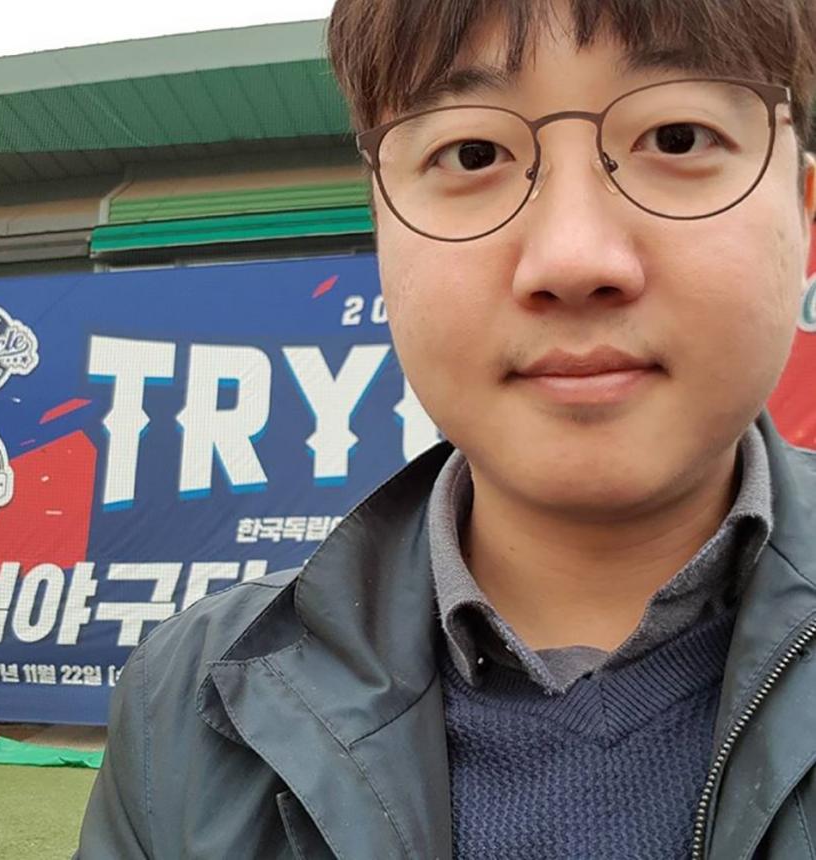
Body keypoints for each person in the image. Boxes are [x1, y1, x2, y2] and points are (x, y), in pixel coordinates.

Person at [76, 1, 816, 857]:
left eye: (678, 137)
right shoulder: (187, 700)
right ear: (382, 225)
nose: (574, 259)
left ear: (802, 214)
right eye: (472, 154)